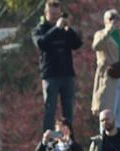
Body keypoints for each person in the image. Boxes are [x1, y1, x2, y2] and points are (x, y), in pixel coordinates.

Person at [33, 0, 82, 133]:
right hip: (50, 75)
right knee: (50, 110)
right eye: (51, 13)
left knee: (68, 111)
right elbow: (41, 43)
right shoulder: (40, 29)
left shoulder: (64, 30)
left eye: (56, 13)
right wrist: (56, 29)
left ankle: (69, 139)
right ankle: (47, 140)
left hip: (67, 74)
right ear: (45, 13)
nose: (54, 16)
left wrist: (69, 29)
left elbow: (77, 44)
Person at [91, 9, 120, 129]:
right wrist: (108, 31)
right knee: (107, 110)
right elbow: (96, 46)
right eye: (111, 19)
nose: (114, 22)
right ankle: (105, 136)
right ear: (105, 21)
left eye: (116, 19)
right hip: (108, 77)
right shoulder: (101, 34)